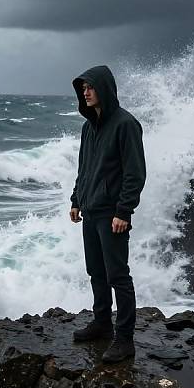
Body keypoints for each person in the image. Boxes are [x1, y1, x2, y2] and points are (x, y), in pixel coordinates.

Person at [70, 65, 146, 363]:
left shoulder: (126, 124)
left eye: (90, 87)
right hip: (90, 211)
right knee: (96, 272)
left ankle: (125, 339)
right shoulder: (89, 127)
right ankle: (102, 323)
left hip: (112, 215)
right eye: (82, 88)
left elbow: (135, 173)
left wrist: (124, 211)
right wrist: (77, 199)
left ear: (104, 88)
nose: (85, 92)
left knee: (118, 276)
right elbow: (84, 169)